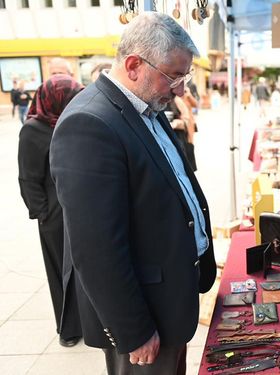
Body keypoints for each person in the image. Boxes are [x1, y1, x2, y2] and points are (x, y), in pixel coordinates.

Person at [49, 12, 216, 374]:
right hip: (144, 316)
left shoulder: (144, 106)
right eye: (174, 76)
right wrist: (134, 329)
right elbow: (95, 249)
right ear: (134, 65)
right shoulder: (89, 123)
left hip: (168, 300)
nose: (181, 89)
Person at [18, 74, 84, 347]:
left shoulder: (74, 122)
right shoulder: (33, 129)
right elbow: (28, 177)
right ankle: (68, 329)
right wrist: (42, 214)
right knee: (60, 273)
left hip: (81, 209)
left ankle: (91, 321)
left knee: (85, 269)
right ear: (56, 99)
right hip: (54, 215)